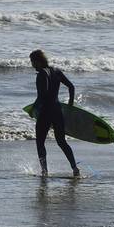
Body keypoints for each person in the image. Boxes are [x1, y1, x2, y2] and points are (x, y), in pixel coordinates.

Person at [29, 49, 79, 177]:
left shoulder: (41, 74)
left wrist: (33, 109)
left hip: (45, 112)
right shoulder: (56, 71)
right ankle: (75, 168)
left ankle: (45, 171)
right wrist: (70, 105)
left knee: (40, 142)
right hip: (57, 110)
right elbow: (71, 87)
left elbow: (42, 96)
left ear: (38, 62)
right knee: (61, 141)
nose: (32, 64)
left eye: (32, 61)